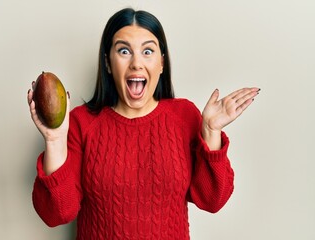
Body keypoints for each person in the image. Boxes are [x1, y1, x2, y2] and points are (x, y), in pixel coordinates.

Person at [27, 8, 260, 240]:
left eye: (148, 51)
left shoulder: (184, 116)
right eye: (124, 51)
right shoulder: (81, 122)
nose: (136, 63)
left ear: (161, 63)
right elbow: (56, 214)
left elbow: (213, 200)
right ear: (108, 63)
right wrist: (55, 140)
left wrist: (211, 131)